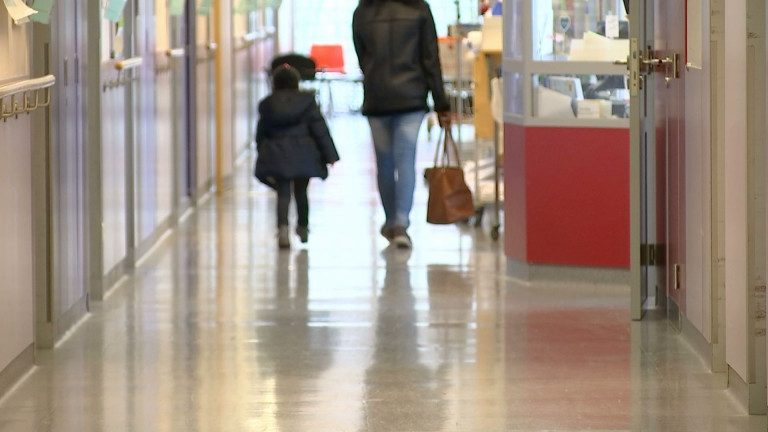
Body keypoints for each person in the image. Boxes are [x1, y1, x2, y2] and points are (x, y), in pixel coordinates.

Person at [353, 0, 452, 249]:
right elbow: (430, 58)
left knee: (384, 163)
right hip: (411, 97)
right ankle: (401, 223)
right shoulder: (418, 8)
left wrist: (374, 78)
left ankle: (390, 220)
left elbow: (362, 56)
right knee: (405, 159)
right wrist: (441, 102)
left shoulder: (363, 11)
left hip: (377, 98)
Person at [255, 64, 340, 249]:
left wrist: (261, 151)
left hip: (278, 155)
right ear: (297, 83)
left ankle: (283, 229)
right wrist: (330, 155)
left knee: (283, 193)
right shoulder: (307, 102)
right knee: (301, 193)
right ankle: (303, 228)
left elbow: (261, 133)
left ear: (274, 84)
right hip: (304, 154)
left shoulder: (268, 104)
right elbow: (320, 130)